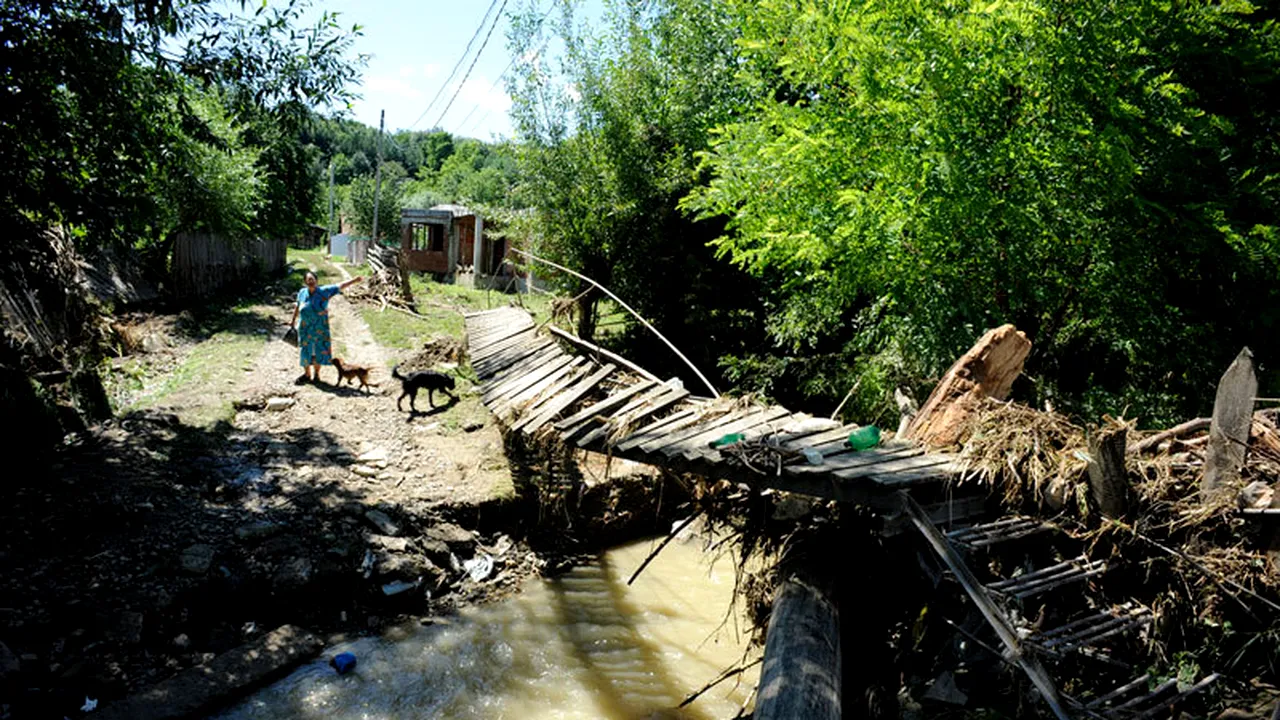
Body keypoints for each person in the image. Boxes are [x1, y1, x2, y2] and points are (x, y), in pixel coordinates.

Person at [289, 271, 364, 383]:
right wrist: (293, 320)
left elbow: (340, 286)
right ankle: (307, 374)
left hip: (320, 328)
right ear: (305, 282)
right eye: (308, 280)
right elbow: (298, 306)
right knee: (305, 351)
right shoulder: (302, 292)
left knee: (318, 350)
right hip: (304, 328)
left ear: (316, 280)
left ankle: (317, 375)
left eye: (313, 279)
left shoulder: (324, 291)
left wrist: (354, 280)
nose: (311, 282)